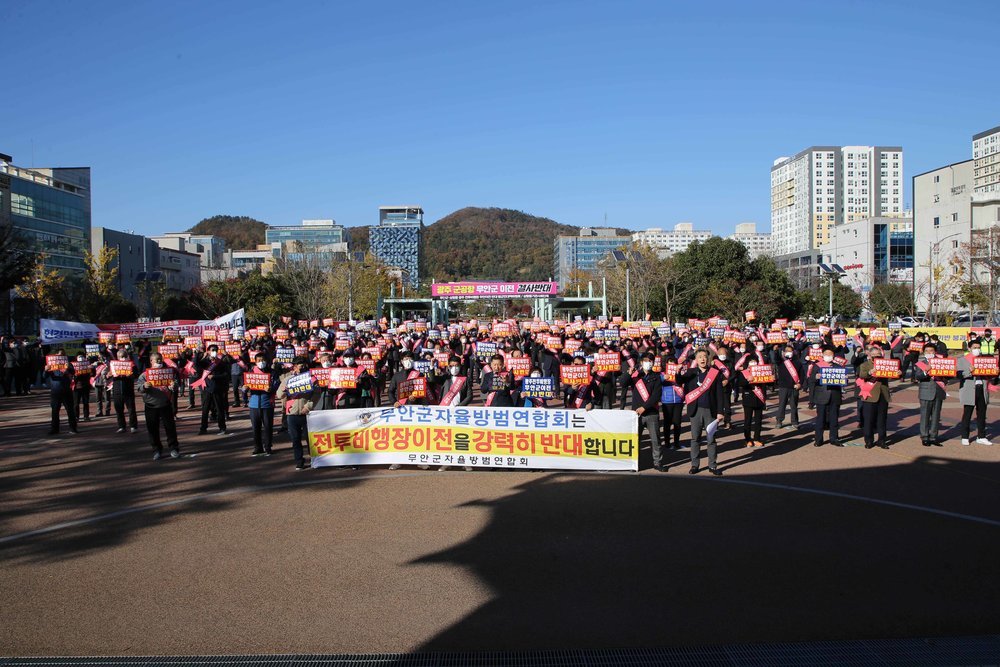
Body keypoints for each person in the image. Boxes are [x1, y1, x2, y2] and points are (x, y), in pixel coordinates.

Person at [677, 349, 725, 476]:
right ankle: (694, 465)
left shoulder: (715, 373)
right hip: (695, 410)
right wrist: (677, 370)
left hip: (711, 410)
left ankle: (713, 465)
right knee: (695, 439)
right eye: (699, 357)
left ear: (708, 358)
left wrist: (720, 412)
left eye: (704, 356)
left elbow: (720, 394)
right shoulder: (691, 373)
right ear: (696, 360)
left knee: (711, 439)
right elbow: (679, 381)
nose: (702, 359)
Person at [276, 357, 322, 470]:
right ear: (294, 366)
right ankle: (299, 461)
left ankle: (314, 459)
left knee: (310, 438)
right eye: (298, 365)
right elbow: (278, 395)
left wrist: (308, 406)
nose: (300, 367)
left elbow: (317, 394)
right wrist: (284, 390)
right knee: (295, 439)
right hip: (292, 413)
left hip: (306, 413)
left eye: (303, 364)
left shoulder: (312, 379)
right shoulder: (288, 379)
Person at [137, 353, 180, 460]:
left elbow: (175, 385)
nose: (159, 362)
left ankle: (174, 448)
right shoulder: (144, 375)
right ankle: (156, 450)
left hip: (165, 404)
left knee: (170, 428)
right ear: (151, 361)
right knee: (153, 429)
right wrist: (144, 386)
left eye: (160, 360)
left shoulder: (168, 372)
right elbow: (139, 388)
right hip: (151, 405)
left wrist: (173, 386)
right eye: (157, 360)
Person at [956, 340, 995, 446]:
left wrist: (995, 372)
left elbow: (990, 376)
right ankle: (965, 436)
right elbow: (959, 375)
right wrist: (970, 371)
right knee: (967, 414)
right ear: (969, 348)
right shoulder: (962, 360)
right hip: (969, 390)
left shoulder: (984, 360)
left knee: (982, 414)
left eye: (978, 347)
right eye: (975, 347)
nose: (977, 349)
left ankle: (981, 436)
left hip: (982, 389)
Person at [629, 353, 663, 471]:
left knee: (655, 439)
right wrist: (629, 373)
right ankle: (634, 463)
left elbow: (656, 396)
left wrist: (644, 407)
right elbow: (623, 383)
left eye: (650, 361)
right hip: (636, 413)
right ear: (641, 362)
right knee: (636, 440)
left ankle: (657, 462)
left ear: (653, 363)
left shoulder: (657, 377)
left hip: (651, 413)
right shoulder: (635, 376)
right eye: (645, 360)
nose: (648, 363)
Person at [808, 345, 844, 447]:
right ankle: (818, 439)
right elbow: (811, 380)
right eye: (826, 355)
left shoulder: (838, 367)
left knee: (834, 419)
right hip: (821, 395)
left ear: (833, 356)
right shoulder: (817, 366)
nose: (828, 356)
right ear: (823, 356)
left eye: (830, 355)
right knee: (820, 419)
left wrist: (844, 378)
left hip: (835, 395)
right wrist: (816, 376)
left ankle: (834, 438)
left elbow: (843, 381)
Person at [857, 344, 891, 449]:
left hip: (883, 394)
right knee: (869, 420)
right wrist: (870, 372)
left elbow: (894, 373)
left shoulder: (886, 363)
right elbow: (862, 374)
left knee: (882, 420)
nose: (876, 356)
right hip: (870, 394)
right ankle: (869, 440)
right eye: (874, 354)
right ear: (869, 355)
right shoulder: (865, 365)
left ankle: (882, 440)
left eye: (878, 354)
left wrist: (898, 373)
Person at [914, 342, 948, 447]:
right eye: (927, 351)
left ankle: (933, 437)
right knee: (925, 416)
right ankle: (924, 437)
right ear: (924, 353)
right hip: (926, 392)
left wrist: (950, 373)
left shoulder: (941, 362)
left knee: (936, 416)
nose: (929, 353)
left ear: (935, 352)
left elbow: (948, 376)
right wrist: (926, 371)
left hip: (938, 391)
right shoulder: (921, 363)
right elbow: (918, 376)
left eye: (931, 351)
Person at [247, 352, 280, 457]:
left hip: (267, 403)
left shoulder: (272, 372)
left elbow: (276, 384)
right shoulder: (251, 372)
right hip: (254, 404)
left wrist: (270, 389)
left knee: (268, 427)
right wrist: (244, 388)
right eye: (259, 361)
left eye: (263, 360)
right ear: (255, 362)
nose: (261, 362)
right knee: (255, 428)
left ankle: (268, 447)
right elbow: (246, 384)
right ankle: (257, 448)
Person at [197, 344, 232, 435]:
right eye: (212, 350)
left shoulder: (221, 362)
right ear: (208, 351)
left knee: (220, 409)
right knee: (205, 410)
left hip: (217, 389)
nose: (214, 352)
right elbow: (195, 364)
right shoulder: (204, 362)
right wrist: (199, 354)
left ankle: (222, 427)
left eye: (216, 350)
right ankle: (203, 428)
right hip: (207, 389)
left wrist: (215, 376)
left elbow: (226, 375)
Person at [44, 352, 77, 435]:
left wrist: (67, 371)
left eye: (61, 356)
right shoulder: (51, 365)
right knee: (55, 411)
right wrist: (45, 370)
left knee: (70, 410)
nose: (58, 358)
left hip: (66, 390)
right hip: (55, 391)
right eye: (57, 356)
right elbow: (44, 376)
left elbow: (73, 372)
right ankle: (55, 429)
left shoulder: (68, 364)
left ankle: (73, 428)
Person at [110, 349, 139, 433]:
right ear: (117, 357)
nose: (123, 358)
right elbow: (108, 376)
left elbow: (136, 375)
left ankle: (133, 426)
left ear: (127, 357)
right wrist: (109, 375)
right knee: (119, 409)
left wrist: (131, 375)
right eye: (121, 357)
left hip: (128, 390)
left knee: (131, 409)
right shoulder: (113, 365)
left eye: (124, 356)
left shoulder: (132, 365)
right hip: (117, 390)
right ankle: (121, 426)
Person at [774, 344, 802, 430]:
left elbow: (802, 375)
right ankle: (779, 421)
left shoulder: (797, 362)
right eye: (787, 351)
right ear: (784, 352)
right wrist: (776, 351)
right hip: (783, 386)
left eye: (790, 351)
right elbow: (776, 359)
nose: (789, 352)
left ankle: (795, 421)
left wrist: (800, 384)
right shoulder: (781, 362)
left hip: (794, 387)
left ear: (793, 352)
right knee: (782, 404)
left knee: (794, 405)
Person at [71, 353, 94, 422]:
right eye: (79, 357)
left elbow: (93, 374)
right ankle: (76, 416)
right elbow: (71, 376)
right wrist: (75, 375)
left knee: (86, 402)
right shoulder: (73, 366)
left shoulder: (87, 366)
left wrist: (92, 369)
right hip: (76, 387)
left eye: (82, 357)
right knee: (76, 403)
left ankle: (86, 416)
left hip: (85, 386)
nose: (81, 358)